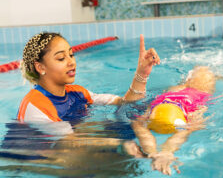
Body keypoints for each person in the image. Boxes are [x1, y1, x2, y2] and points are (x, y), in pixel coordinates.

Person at [16, 32, 160, 155]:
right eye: (61, 58)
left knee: (129, 119)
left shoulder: (77, 93)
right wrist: (119, 145)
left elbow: (126, 103)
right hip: (41, 162)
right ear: (40, 67)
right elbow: (69, 144)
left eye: (71, 55)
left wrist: (142, 73)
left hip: (74, 148)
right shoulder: (36, 106)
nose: (71, 62)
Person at [130, 66, 216, 175]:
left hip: (161, 106)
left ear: (189, 79)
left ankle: (152, 152)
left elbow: (138, 123)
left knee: (139, 125)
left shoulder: (175, 89)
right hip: (177, 109)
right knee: (187, 129)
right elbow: (190, 127)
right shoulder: (202, 94)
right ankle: (165, 152)